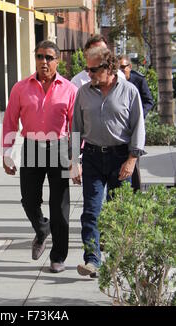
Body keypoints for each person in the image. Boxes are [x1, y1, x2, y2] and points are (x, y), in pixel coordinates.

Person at [2, 40, 77, 273]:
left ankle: (58, 256)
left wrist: (76, 160)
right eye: (40, 56)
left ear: (57, 61)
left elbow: (76, 126)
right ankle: (42, 229)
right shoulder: (21, 88)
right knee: (29, 199)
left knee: (60, 205)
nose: (44, 61)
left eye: (49, 57)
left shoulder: (69, 89)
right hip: (32, 145)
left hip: (59, 148)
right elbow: (10, 121)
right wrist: (7, 152)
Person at [71, 47, 145, 278]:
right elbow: (75, 130)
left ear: (109, 67)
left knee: (119, 211)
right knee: (91, 211)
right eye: (87, 69)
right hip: (92, 157)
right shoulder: (83, 93)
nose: (89, 74)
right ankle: (92, 261)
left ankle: (117, 260)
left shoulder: (130, 91)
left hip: (120, 157)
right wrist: (75, 161)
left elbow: (138, 128)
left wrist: (131, 160)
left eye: (93, 69)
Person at [118, 55, 154, 191]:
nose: (120, 70)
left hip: (135, 128)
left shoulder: (138, 79)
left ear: (130, 67)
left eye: (123, 67)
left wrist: (139, 116)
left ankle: (135, 191)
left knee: (133, 160)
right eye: (118, 67)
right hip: (120, 129)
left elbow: (148, 101)